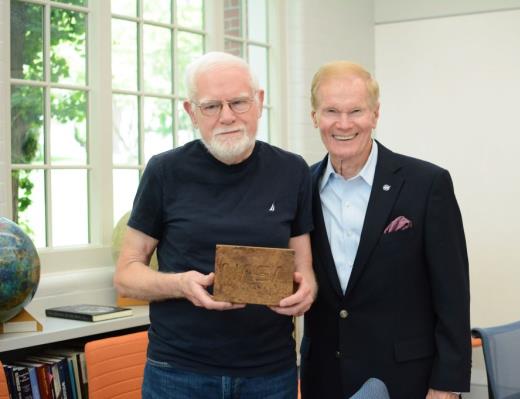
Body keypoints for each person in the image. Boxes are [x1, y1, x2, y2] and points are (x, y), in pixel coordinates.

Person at [114, 51, 316, 399]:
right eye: (211, 106)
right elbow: (126, 274)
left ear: (259, 102)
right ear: (191, 112)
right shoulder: (164, 172)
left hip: (269, 373)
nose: (227, 117)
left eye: (239, 102)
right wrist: (180, 285)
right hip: (179, 373)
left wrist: (304, 293)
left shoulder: (292, 171)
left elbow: (304, 268)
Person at [300, 61, 471, 399]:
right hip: (323, 377)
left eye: (356, 111)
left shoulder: (426, 184)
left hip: (406, 378)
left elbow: (453, 295)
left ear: (375, 115)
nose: (344, 123)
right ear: (315, 117)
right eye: (332, 111)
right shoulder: (299, 186)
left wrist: (447, 384)